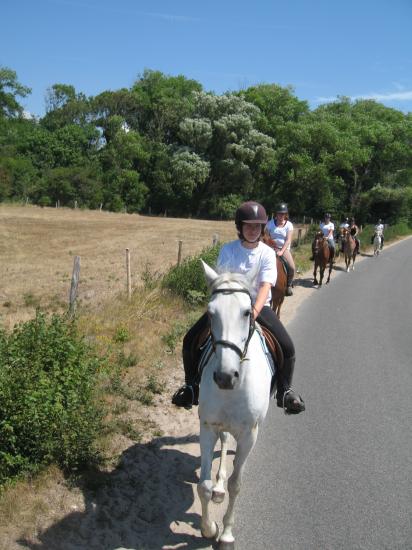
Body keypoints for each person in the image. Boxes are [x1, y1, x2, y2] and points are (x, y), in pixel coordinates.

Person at [171, 201, 305, 415]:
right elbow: (222, 281)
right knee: (190, 339)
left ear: (262, 228)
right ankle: (191, 387)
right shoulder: (228, 249)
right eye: (248, 226)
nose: (253, 230)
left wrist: (254, 312)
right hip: (229, 307)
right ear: (240, 227)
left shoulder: (267, 253)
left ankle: (284, 391)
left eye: (257, 226)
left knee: (287, 346)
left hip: (257, 307)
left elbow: (265, 286)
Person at [265, 202, 295, 296]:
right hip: (271, 248)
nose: (281, 215)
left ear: (285, 214)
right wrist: (271, 248)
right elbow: (266, 237)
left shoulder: (289, 225)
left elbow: (288, 240)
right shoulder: (269, 224)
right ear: (276, 214)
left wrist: (281, 251)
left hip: (284, 249)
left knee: (292, 267)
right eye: (279, 213)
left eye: (283, 214)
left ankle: (289, 285)